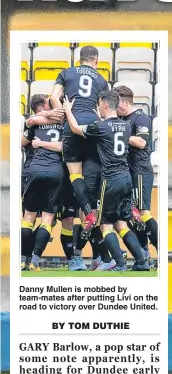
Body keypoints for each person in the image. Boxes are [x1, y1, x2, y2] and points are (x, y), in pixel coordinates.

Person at [63, 90, 150, 272]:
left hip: (110, 181)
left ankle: (119, 264)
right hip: (126, 177)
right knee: (122, 223)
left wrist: (68, 110)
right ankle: (142, 261)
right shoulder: (126, 126)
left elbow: (75, 129)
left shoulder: (100, 127)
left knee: (105, 224)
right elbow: (112, 129)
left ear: (104, 105)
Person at [51, 45, 109, 236]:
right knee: (92, 175)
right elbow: (104, 109)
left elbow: (53, 97)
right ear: (96, 61)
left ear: (79, 59)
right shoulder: (101, 80)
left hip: (72, 121)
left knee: (75, 174)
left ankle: (86, 212)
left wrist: (63, 114)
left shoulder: (66, 73)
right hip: (92, 126)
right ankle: (94, 219)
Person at [21, 95, 65, 271]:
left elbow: (21, 141)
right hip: (56, 172)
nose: (53, 109)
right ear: (41, 108)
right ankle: (35, 262)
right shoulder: (64, 122)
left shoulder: (35, 124)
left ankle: (22, 260)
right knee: (47, 220)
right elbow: (63, 147)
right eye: (49, 106)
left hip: (35, 170)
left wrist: (39, 143)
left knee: (28, 219)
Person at [115, 85, 158, 263]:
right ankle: (144, 251)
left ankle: (160, 249)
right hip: (128, 173)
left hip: (140, 171)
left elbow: (141, 142)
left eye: (115, 104)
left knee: (142, 211)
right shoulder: (123, 119)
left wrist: (118, 132)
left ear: (125, 102)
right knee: (132, 214)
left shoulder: (140, 117)